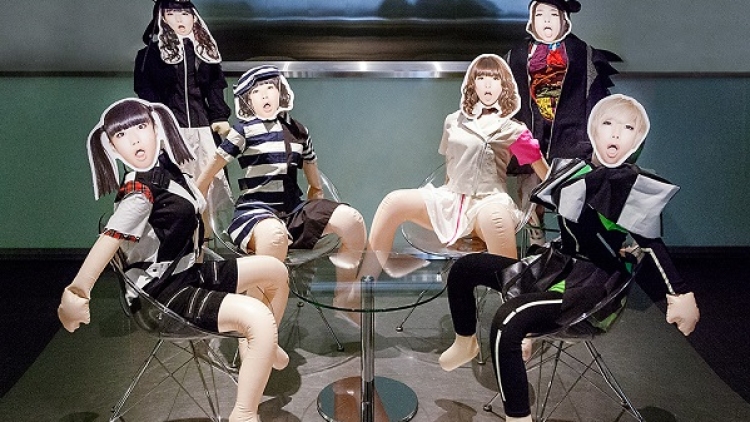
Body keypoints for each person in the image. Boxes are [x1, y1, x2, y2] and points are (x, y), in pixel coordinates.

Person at [438, 94, 700, 422]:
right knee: (465, 268)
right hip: (556, 267)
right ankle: (465, 341)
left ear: (637, 140)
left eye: (628, 128)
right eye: (608, 123)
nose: (615, 133)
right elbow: (552, 191)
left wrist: (679, 292)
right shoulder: (577, 171)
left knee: (507, 321)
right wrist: (531, 158)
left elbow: (651, 242)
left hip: (591, 288)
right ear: (593, 130)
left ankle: (518, 417)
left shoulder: (627, 187)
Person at [57, 98, 290, 422]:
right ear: (111, 145)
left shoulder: (168, 172)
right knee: (259, 319)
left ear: (156, 127)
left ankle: (264, 348)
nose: (135, 140)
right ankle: (244, 413)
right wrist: (77, 291)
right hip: (161, 295)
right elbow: (109, 239)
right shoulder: (139, 192)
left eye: (141, 127)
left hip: (188, 273)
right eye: (122, 135)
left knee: (275, 271)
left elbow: (195, 212)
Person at [356, 54, 549, 281]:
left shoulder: (514, 129)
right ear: (472, 84)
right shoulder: (453, 121)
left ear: (504, 86)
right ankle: (359, 288)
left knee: (495, 219)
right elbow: (450, 167)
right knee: (394, 202)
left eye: (495, 79)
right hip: (452, 198)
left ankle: (512, 294)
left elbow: (544, 173)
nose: (488, 85)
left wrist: (552, 198)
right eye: (482, 78)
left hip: (489, 201)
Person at [196, 65, 367, 280]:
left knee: (352, 221)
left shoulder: (299, 130)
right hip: (256, 212)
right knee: (274, 237)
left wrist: (315, 214)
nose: (264, 95)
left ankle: (346, 292)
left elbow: (314, 182)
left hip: (293, 211)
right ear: (248, 100)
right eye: (256, 91)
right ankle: (262, 298)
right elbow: (213, 167)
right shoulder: (243, 131)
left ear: (281, 92)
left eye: (270, 87)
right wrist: (198, 202)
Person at [505, 0, 620, 244]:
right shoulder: (516, 56)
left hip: (571, 136)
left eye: (553, 14)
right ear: (531, 20)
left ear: (564, 20)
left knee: (571, 198)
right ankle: (536, 243)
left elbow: (596, 100)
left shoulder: (582, 54)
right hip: (530, 133)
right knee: (530, 194)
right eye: (540, 14)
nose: (546, 20)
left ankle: (570, 245)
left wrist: (597, 140)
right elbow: (506, 100)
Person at [134, 0, 232, 210]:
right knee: (174, 186)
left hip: (203, 129)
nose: (179, 18)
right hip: (170, 131)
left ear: (194, 17)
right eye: (171, 13)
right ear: (162, 18)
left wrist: (219, 115)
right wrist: (156, 120)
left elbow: (215, 85)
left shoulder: (205, 53)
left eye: (185, 13)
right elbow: (145, 89)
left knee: (209, 184)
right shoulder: (149, 55)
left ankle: (205, 230)